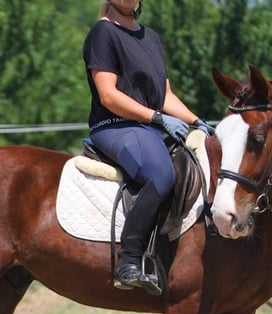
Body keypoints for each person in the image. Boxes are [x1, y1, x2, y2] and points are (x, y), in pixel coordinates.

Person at [82, 0, 215, 294]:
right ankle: (128, 262)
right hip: (115, 126)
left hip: (150, 127)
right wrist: (156, 117)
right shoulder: (103, 34)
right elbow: (108, 95)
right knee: (160, 174)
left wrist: (197, 121)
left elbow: (164, 95)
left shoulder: (150, 37)